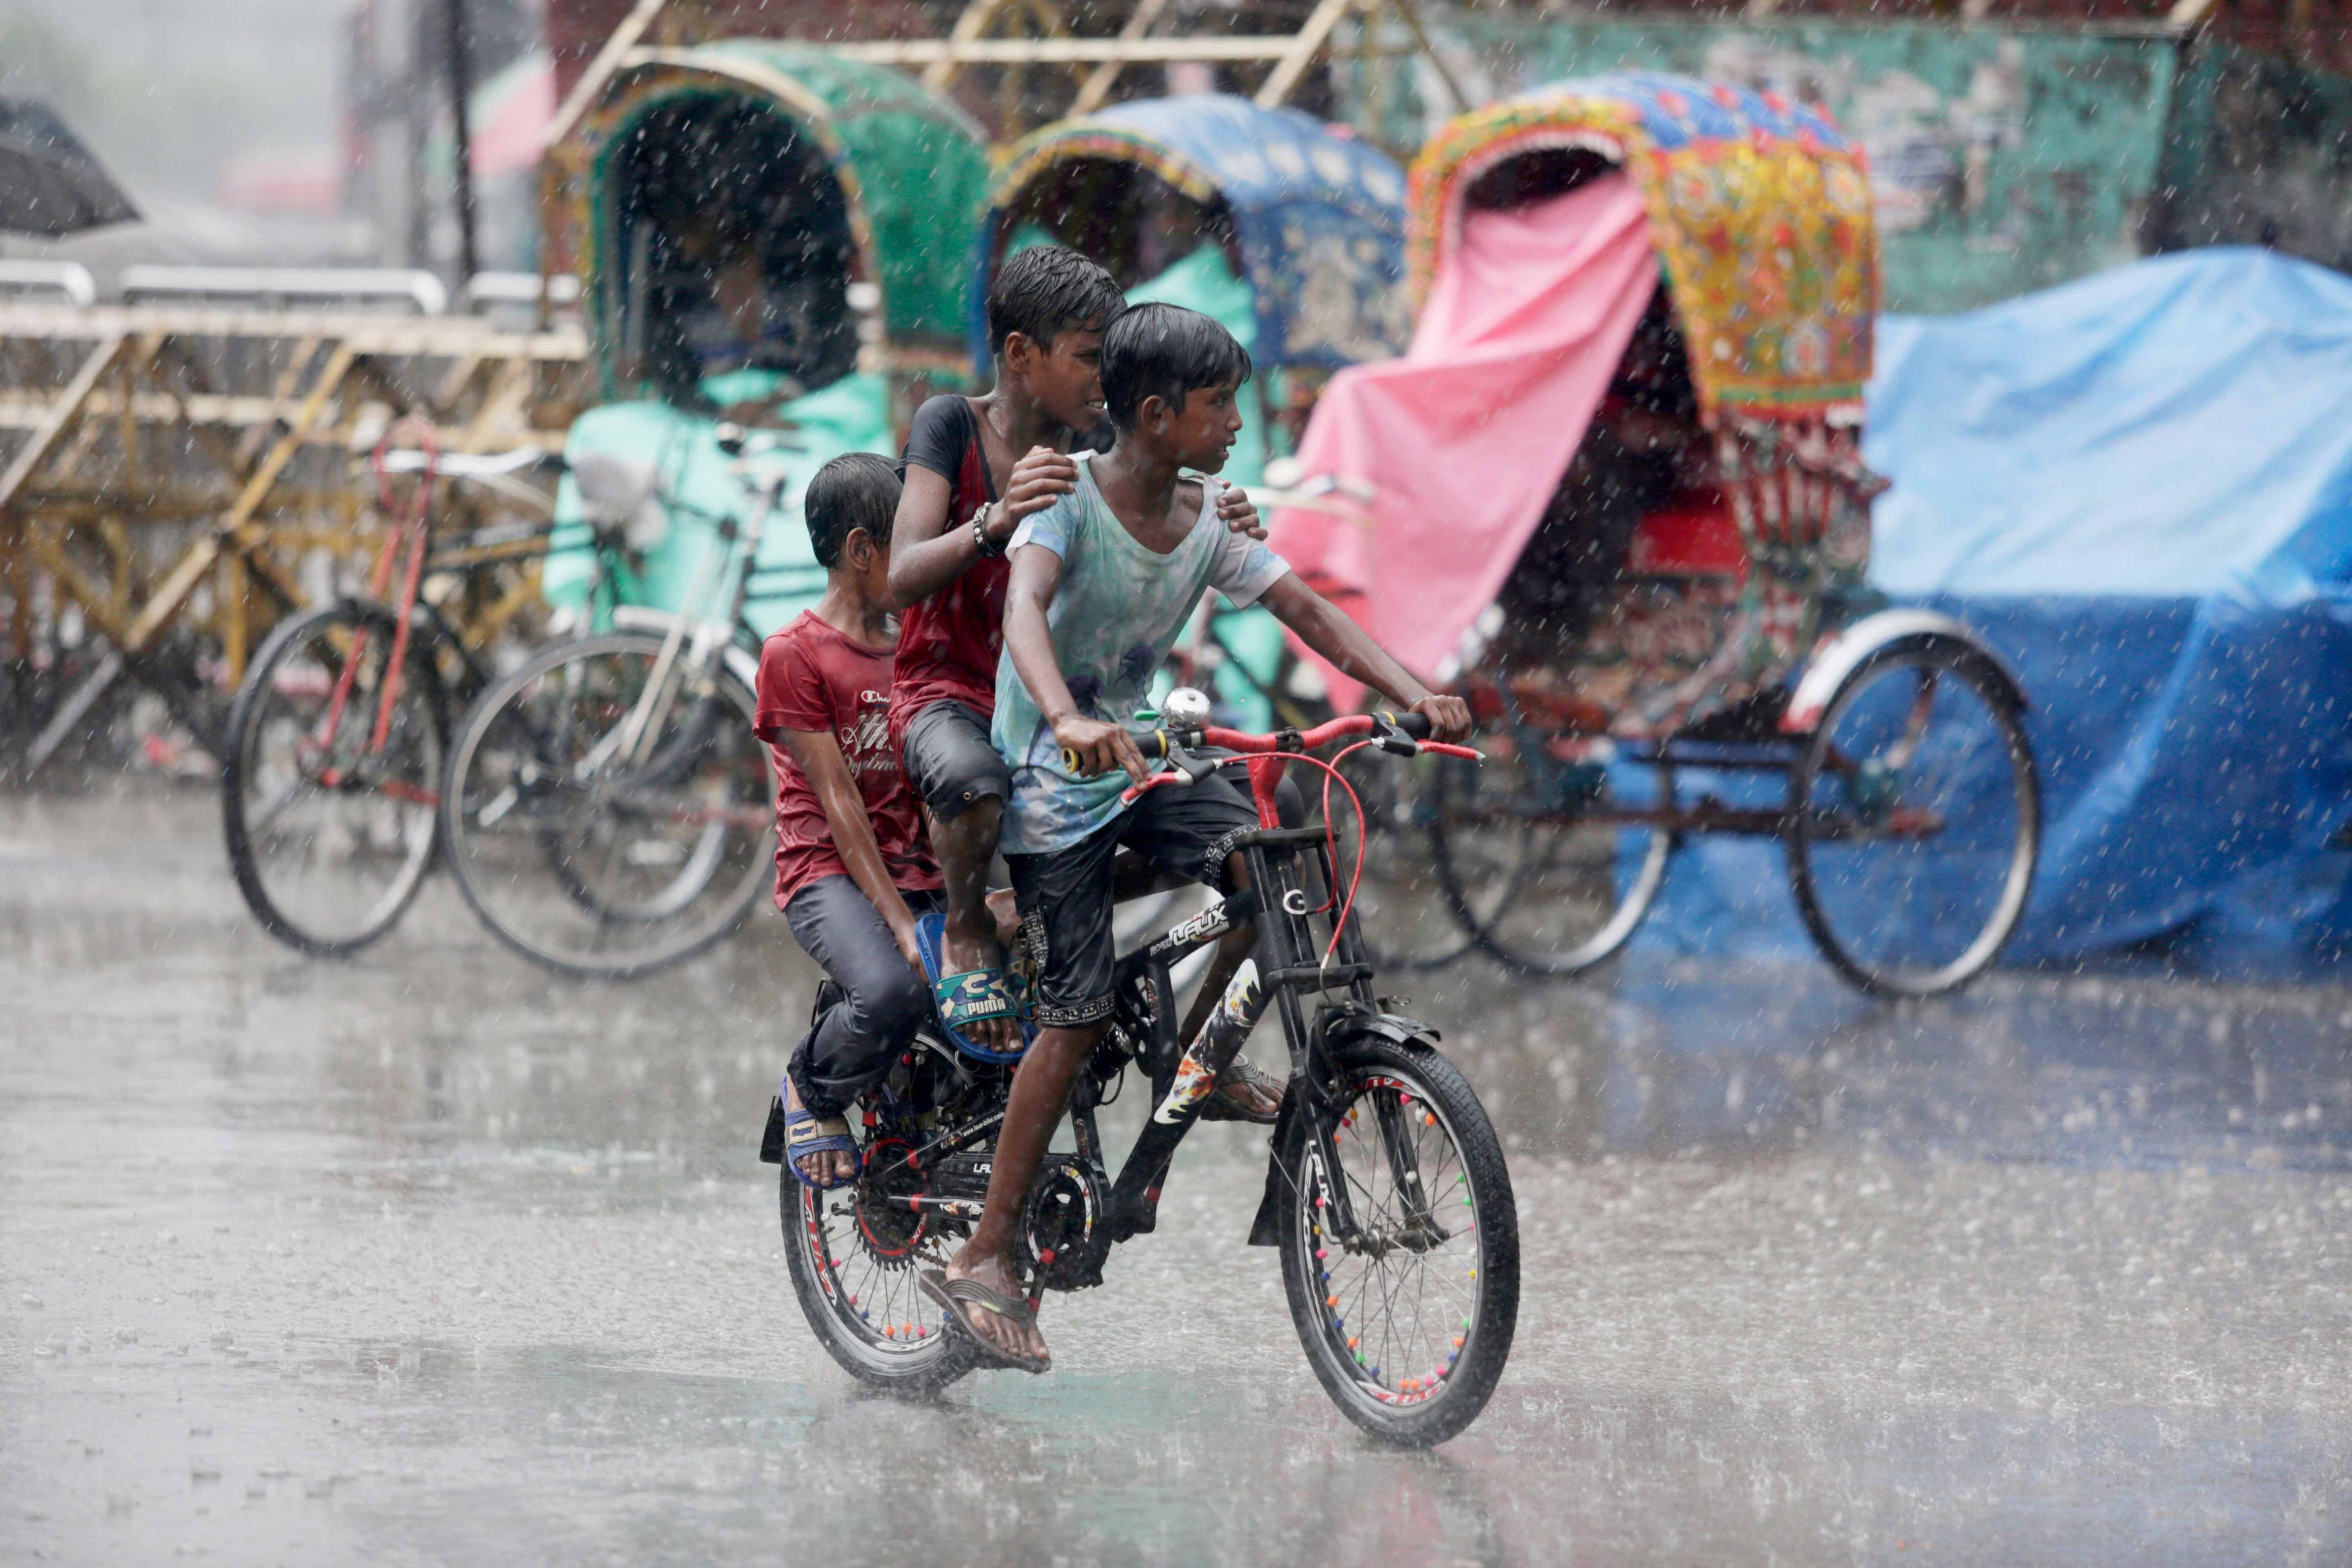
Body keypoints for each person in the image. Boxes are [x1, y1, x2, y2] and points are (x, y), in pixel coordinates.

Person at [921, 303, 1474, 1371]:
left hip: (1145, 761)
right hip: (1055, 780)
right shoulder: (1065, 506)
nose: (1236, 422)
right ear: (1159, 413)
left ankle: (1193, 1053)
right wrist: (1068, 720)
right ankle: (987, 1253)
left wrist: (1414, 691)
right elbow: (1024, 614)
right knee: (1075, 1016)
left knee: (1274, 858)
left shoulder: (1204, 519)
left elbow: (1307, 611)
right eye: (1220, 404)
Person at [885, 244, 1269, 1068]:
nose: (1107, 376)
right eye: (1092, 357)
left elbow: (1162, 475)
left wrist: (1211, 500)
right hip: (953, 689)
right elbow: (899, 576)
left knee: (1227, 823)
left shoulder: (1098, 442)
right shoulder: (951, 425)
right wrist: (991, 521)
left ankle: (1038, 918)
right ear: (1021, 355)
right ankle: (966, 928)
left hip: (1070, 699)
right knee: (974, 781)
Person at [753, 454, 941, 1189]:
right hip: (825, 871)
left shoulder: (919, 646)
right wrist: (901, 922)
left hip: (919, 863)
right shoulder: (794, 654)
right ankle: (810, 1083)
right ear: (861, 550)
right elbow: (839, 805)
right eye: (911, 541)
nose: (923, 559)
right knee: (896, 989)